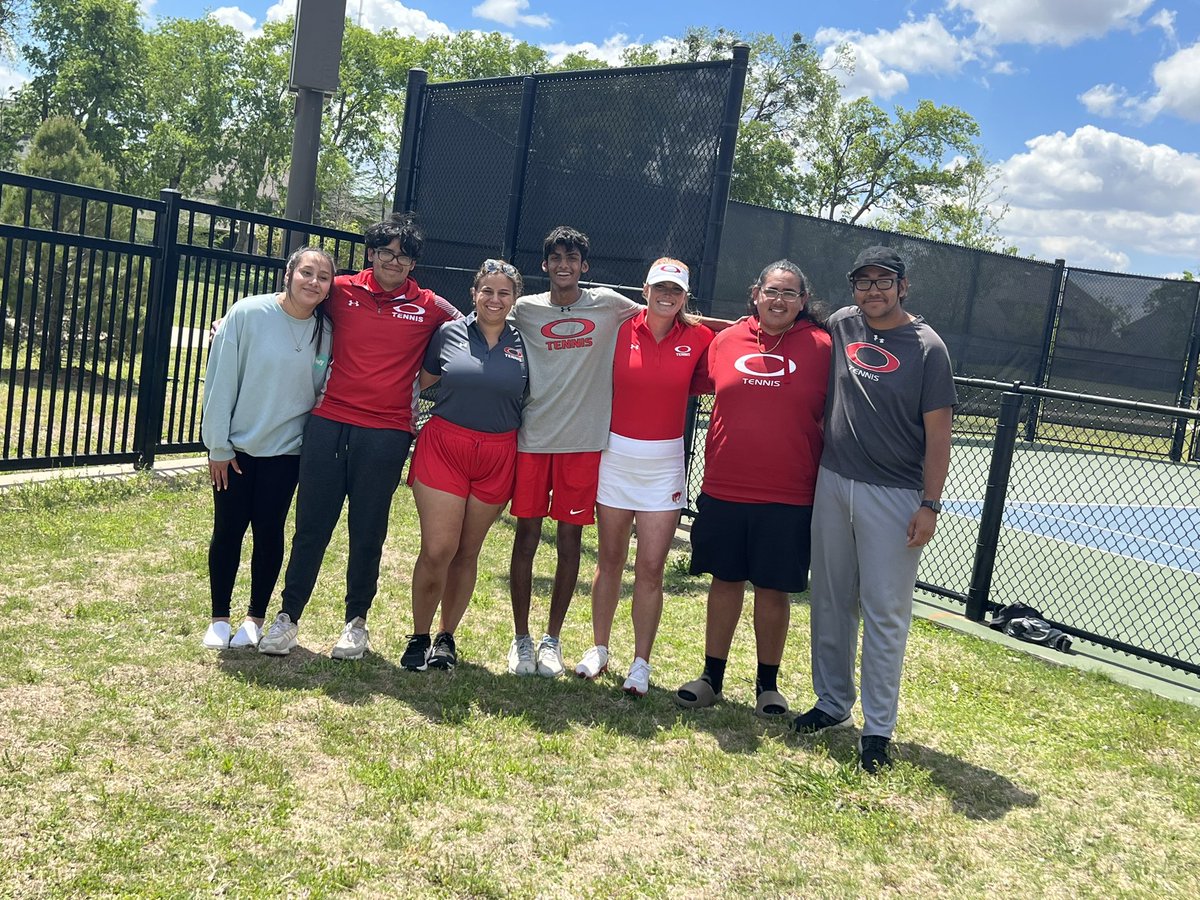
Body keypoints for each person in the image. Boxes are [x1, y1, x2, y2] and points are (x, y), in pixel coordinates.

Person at [258, 214, 461, 659]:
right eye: (386, 252)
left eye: (403, 255)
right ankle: (288, 618)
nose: (393, 261)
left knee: (367, 533)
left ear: (413, 264)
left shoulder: (430, 305)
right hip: (328, 422)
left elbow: (469, 326)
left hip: (387, 433)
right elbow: (291, 301)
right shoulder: (342, 289)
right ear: (371, 253)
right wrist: (237, 320)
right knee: (311, 527)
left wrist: (424, 380)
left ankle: (355, 625)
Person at [793, 245, 956, 773]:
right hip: (834, 483)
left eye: (884, 281)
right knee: (831, 598)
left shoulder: (929, 348)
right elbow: (779, 319)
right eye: (863, 282)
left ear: (903, 286)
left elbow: (939, 437)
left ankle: (877, 730)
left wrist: (929, 504)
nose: (873, 291)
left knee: (884, 614)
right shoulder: (843, 324)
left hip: (895, 495)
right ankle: (832, 703)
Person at [674, 260, 831, 718]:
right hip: (725, 487)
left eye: (789, 293)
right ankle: (712, 677)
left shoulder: (823, 347)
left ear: (803, 302)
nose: (779, 300)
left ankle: (768, 686)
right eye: (771, 291)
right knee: (725, 583)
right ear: (755, 294)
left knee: (772, 590)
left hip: (790, 493)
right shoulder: (726, 341)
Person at [507, 226, 643, 677]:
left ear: (584, 266)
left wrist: (749, 327)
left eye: (572, 258)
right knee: (525, 538)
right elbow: (479, 314)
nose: (563, 264)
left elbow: (664, 314)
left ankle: (552, 641)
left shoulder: (608, 304)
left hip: (583, 445)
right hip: (533, 439)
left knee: (569, 541)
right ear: (544, 265)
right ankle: (521, 640)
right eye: (555, 257)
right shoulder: (524, 309)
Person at [579, 258, 715, 696]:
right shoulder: (616, 328)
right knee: (610, 560)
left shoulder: (699, 338)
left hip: (664, 466)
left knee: (651, 569)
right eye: (660, 287)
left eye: (675, 290)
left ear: (685, 297)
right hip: (615, 456)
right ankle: (599, 648)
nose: (667, 295)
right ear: (645, 289)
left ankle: (641, 663)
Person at [200, 247, 334, 650]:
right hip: (236, 450)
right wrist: (217, 446)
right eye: (306, 272)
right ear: (288, 274)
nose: (313, 282)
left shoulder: (326, 331)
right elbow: (220, 380)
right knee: (228, 529)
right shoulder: (247, 314)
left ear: (330, 287)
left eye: (323, 277)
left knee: (269, 531)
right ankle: (219, 617)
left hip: (287, 452)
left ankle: (255, 618)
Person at [400, 260, 529, 671]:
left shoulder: (526, 343)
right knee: (439, 548)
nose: (495, 299)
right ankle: (419, 637)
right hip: (445, 447)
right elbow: (418, 381)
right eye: (487, 290)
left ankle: (445, 638)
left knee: (467, 553)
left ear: (514, 299)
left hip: (497, 453)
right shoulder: (448, 333)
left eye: (504, 292)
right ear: (473, 294)